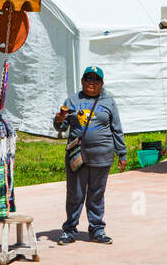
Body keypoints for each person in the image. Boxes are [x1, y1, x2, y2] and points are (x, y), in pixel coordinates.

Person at [54, 66, 126, 245]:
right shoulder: (72, 100)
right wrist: (59, 120)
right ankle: (69, 230)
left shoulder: (108, 102)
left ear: (101, 83)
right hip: (77, 156)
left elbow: (116, 129)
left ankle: (97, 230)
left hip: (102, 155)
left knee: (96, 194)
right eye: (88, 78)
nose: (91, 82)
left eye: (96, 79)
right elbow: (60, 128)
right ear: (82, 81)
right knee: (75, 194)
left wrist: (122, 153)